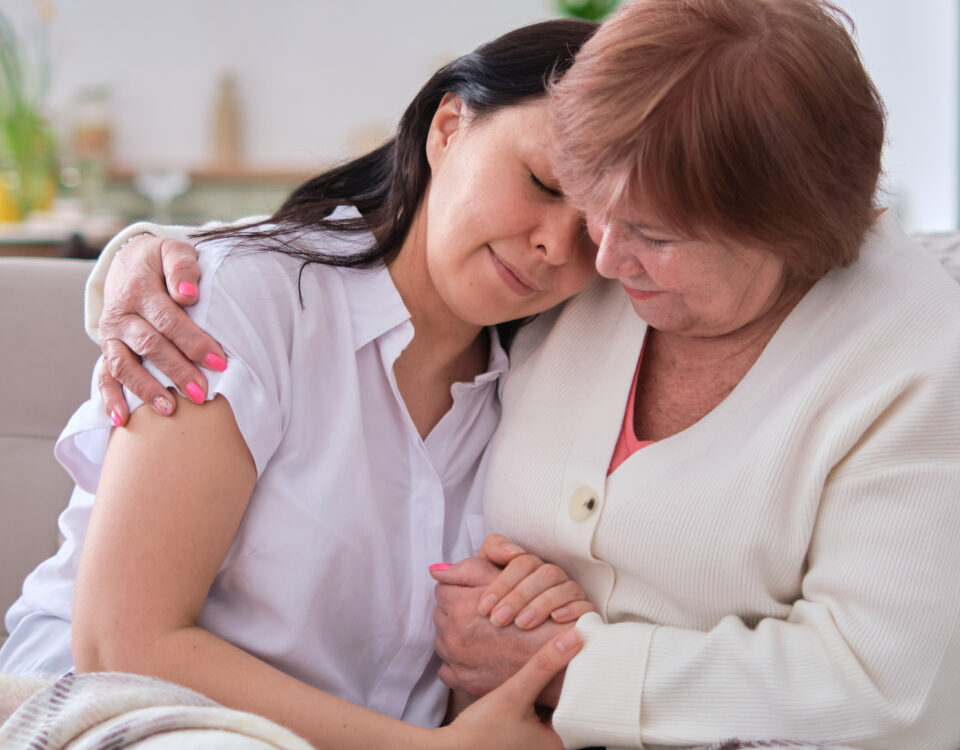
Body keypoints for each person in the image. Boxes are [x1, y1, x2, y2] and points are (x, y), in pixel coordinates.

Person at [75, 1, 960, 748]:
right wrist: (140, 262)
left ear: (784, 230)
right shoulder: (254, 306)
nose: (597, 257)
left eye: (646, 232)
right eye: (563, 190)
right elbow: (121, 637)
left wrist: (561, 654)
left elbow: (877, 672)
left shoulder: (550, 319)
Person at [0, 19, 602, 749]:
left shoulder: (535, 395)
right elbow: (123, 641)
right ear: (448, 129)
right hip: (116, 715)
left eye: (599, 231)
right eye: (540, 182)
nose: (555, 244)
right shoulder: (247, 296)